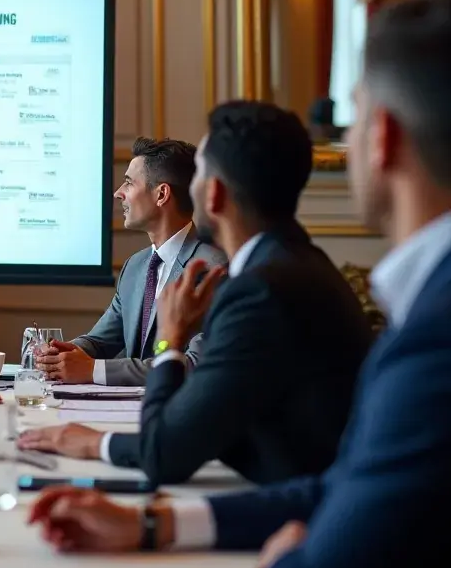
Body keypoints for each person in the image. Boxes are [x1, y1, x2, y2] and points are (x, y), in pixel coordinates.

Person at [29, 0, 451, 568]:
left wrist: (288, 556)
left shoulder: (424, 336)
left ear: (379, 137)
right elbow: (349, 486)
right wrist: (156, 525)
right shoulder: (343, 282)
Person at [21, 102, 369, 486]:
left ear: (214, 194)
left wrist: (93, 441)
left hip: (291, 506)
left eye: (199, 174)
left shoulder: (254, 289)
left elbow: (165, 452)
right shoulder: (296, 264)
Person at [36, 137, 224, 385]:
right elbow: (100, 341)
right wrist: (63, 353)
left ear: (161, 194)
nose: (118, 193)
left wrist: (93, 371)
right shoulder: (135, 266)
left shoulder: (212, 268)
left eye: (128, 183)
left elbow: (193, 364)